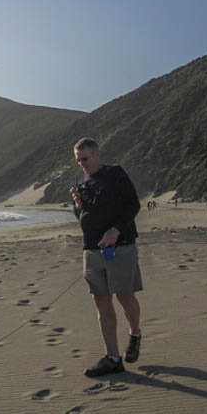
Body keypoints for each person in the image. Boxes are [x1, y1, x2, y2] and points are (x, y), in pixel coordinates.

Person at [70, 138, 142, 377]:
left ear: (96, 154)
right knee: (101, 299)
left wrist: (116, 230)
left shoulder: (115, 174)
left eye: (85, 159)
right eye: (78, 160)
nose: (82, 164)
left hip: (120, 246)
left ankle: (135, 333)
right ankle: (112, 357)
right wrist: (78, 205)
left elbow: (133, 205)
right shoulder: (80, 181)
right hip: (91, 248)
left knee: (124, 296)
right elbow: (83, 216)